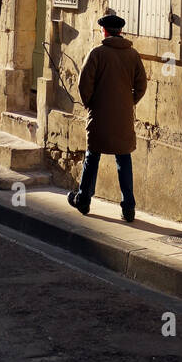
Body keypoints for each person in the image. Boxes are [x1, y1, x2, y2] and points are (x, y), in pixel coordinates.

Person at [68, 12, 147, 222]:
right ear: (120, 31)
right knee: (124, 159)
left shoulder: (97, 53)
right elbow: (141, 85)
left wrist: (91, 104)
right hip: (123, 117)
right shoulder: (133, 55)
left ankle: (83, 200)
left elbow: (84, 85)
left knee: (92, 157)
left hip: (99, 116)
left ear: (104, 31)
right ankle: (128, 207)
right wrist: (128, 103)